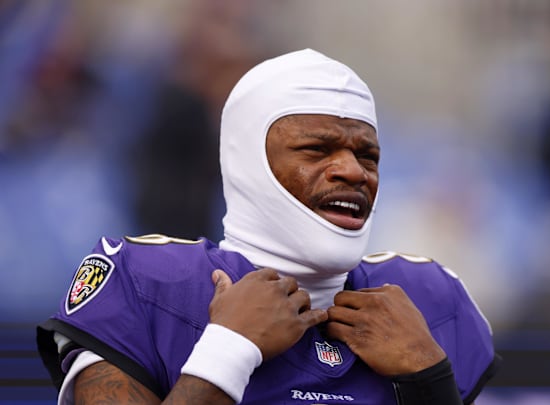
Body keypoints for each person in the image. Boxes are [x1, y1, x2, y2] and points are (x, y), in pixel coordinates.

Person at [37, 48, 500, 404]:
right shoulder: (146, 284)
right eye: (317, 150)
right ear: (249, 165)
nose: (355, 172)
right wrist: (226, 355)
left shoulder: (430, 299)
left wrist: (429, 384)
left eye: (367, 155)